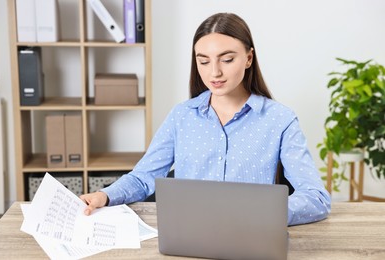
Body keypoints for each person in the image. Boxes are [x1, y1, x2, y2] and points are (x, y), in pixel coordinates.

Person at [80, 12, 331, 226]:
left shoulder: (280, 119)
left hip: (252, 235)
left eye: (227, 59)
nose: (215, 72)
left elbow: (316, 198)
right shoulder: (182, 115)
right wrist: (104, 195)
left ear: (248, 58)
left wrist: (264, 214)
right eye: (203, 61)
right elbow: (142, 177)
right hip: (189, 234)